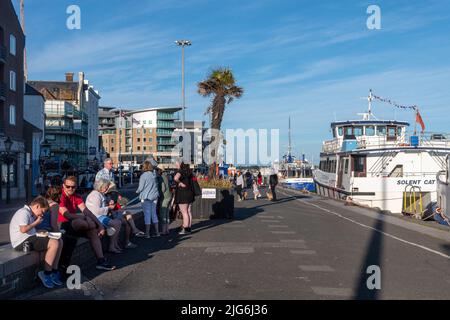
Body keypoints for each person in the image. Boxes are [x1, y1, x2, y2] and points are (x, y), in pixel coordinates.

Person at [58, 176, 115, 272]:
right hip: (61, 225)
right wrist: (86, 219)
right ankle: (93, 226)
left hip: (76, 225)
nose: (70, 189)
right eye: (68, 186)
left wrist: (100, 226)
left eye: (73, 187)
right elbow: (67, 215)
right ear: (63, 186)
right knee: (82, 222)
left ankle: (101, 261)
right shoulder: (60, 196)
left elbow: (87, 211)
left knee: (92, 231)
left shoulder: (76, 196)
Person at [9, 196, 63, 288]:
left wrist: (45, 233)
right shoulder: (23, 212)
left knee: (60, 240)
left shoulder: (30, 213)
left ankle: (54, 270)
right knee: (54, 243)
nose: (42, 214)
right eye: (42, 211)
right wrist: (36, 222)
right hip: (21, 242)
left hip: (29, 238)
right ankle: (46, 273)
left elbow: (30, 230)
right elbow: (23, 229)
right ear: (37, 206)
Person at [86, 179, 124, 254]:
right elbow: (96, 211)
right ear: (100, 186)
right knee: (116, 223)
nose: (107, 189)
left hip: (99, 216)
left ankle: (115, 244)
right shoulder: (95, 195)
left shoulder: (100, 194)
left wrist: (109, 202)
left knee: (118, 222)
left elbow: (103, 202)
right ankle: (112, 246)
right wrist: (109, 208)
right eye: (106, 187)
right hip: (95, 217)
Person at [136, 161, 160, 238]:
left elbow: (141, 188)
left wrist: (137, 191)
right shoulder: (154, 174)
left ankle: (147, 233)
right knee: (154, 214)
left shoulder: (143, 176)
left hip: (146, 197)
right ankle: (157, 232)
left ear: (144, 167)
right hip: (154, 196)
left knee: (147, 214)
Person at [174, 161, 195, 235]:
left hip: (183, 194)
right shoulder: (189, 171)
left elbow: (175, 178)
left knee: (184, 212)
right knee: (188, 211)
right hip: (189, 193)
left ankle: (185, 228)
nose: (175, 164)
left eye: (176, 163)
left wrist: (180, 183)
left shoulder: (180, 171)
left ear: (180, 164)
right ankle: (189, 228)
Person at [156, 168, 172, 235]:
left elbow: (163, 188)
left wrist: (158, 194)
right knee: (167, 214)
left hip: (164, 197)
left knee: (163, 214)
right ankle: (167, 230)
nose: (156, 172)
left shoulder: (160, 177)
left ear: (159, 171)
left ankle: (163, 231)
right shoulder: (166, 176)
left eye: (157, 170)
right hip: (169, 196)